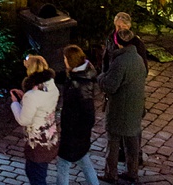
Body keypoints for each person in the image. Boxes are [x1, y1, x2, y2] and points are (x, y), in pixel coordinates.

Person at [98, 21, 146, 184]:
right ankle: (132, 172)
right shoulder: (138, 58)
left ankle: (111, 174)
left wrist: (100, 77)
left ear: (118, 42)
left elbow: (110, 86)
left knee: (113, 141)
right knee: (132, 142)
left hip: (120, 109)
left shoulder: (120, 62)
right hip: (136, 106)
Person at [11, 54, 60, 185]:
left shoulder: (32, 95)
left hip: (37, 144)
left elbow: (23, 120)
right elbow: (38, 107)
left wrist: (15, 103)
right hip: (49, 140)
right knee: (35, 172)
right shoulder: (51, 86)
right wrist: (24, 99)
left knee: (36, 176)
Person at [57, 44, 100, 185]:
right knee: (84, 160)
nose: (64, 61)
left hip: (73, 133)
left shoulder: (78, 84)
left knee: (63, 164)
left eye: (65, 58)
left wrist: (77, 133)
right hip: (78, 134)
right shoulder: (82, 75)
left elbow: (89, 114)